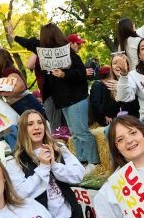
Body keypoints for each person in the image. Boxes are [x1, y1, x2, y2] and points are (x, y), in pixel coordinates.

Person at [40, 23, 100, 172]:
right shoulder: (47, 58)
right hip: (64, 101)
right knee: (75, 133)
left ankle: (94, 162)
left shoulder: (68, 53)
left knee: (81, 131)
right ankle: (82, 161)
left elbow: (81, 73)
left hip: (76, 99)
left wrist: (64, 74)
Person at [0, 44, 46, 116]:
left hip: (25, 103)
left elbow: (21, 87)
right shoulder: (4, 72)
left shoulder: (9, 72)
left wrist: (1, 93)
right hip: (22, 104)